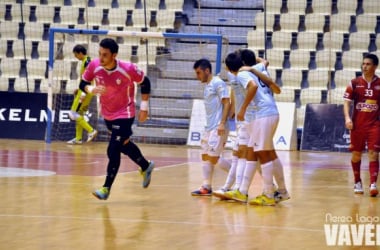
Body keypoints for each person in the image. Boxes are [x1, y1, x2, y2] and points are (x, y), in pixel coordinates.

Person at [79, 38, 155, 200]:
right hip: (107, 113)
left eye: (105, 55)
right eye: (99, 54)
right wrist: (91, 89)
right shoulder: (94, 65)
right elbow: (83, 83)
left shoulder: (128, 69)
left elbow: (145, 82)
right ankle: (146, 166)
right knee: (124, 144)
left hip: (125, 113)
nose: (101, 58)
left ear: (114, 55)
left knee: (112, 149)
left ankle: (106, 188)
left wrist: (144, 107)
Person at [213, 49, 290, 204]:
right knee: (261, 153)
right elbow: (264, 62)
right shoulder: (259, 69)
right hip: (268, 112)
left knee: (261, 153)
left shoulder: (242, 74)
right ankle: (274, 191)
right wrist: (254, 63)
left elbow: (253, 86)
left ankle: (268, 194)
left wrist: (241, 109)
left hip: (260, 114)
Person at [191, 58, 231, 196]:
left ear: (207, 71)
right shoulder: (208, 85)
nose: (197, 76)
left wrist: (222, 123)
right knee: (205, 156)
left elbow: (227, 103)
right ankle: (206, 186)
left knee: (214, 158)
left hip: (218, 127)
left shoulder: (218, 83)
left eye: (199, 73)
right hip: (208, 127)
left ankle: (238, 178)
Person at [343, 53, 380, 197]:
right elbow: (346, 102)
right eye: (363, 63)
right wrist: (347, 118)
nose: (364, 66)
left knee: (374, 154)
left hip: (374, 125)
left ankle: (372, 184)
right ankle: (357, 181)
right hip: (357, 125)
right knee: (356, 155)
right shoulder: (354, 83)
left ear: (375, 67)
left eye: (368, 64)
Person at [67, 44, 98, 145]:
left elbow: (89, 78)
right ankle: (78, 138)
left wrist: (83, 91)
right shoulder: (86, 61)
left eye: (76, 55)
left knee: (73, 114)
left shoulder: (87, 61)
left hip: (84, 92)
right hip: (86, 90)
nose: (76, 57)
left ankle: (91, 131)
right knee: (79, 115)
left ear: (80, 53)